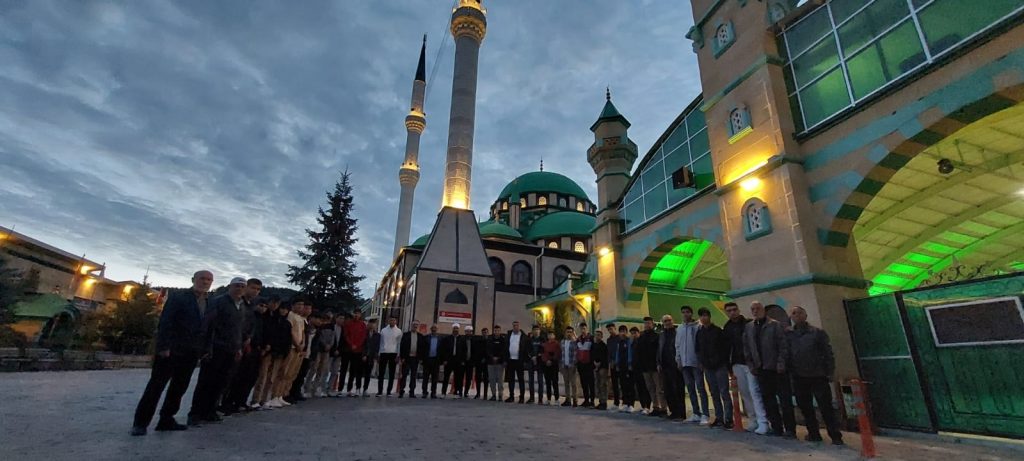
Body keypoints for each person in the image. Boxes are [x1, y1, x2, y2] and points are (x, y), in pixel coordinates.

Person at [131, 270, 212, 435]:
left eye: (209, 280)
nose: (205, 282)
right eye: (202, 278)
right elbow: (166, 322)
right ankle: (140, 423)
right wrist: (163, 347)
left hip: (191, 352)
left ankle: (166, 419)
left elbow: (207, 328)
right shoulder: (178, 297)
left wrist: (204, 349)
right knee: (156, 387)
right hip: (171, 350)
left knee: (179, 387)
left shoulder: (209, 302)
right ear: (193, 279)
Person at [188, 277, 247, 425]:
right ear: (230, 287)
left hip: (231, 349)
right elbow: (208, 324)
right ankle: (195, 413)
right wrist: (206, 347)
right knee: (206, 381)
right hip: (216, 347)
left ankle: (210, 410)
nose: (239, 289)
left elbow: (239, 329)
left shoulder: (241, 305)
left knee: (221, 382)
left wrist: (239, 347)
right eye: (237, 286)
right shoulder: (219, 301)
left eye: (242, 286)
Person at [788, 306, 844, 445]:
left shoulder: (817, 333)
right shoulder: (789, 335)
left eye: (799, 313)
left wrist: (829, 372)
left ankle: (835, 435)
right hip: (799, 376)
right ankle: (813, 433)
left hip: (818, 375)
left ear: (805, 315)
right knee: (805, 407)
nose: (797, 315)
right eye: (794, 313)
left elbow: (828, 353)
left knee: (826, 407)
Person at [744, 301, 796, 437]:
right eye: (753, 309)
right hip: (761, 369)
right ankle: (776, 427)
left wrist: (781, 363)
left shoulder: (775, 325)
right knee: (768, 400)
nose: (755, 311)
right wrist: (751, 365)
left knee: (785, 400)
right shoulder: (749, 327)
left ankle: (790, 429)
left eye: (758, 308)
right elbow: (747, 348)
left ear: (763, 310)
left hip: (777, 369)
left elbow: (783, 346)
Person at [723, 302, 768, 434]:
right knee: (745, 393)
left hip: (750, 363)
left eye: (734, 309)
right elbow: (726, 348)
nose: (732, 312)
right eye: (729, 311)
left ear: (738, 310)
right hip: (736, 363)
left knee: (755, 391)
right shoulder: (727, 327)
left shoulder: (749, 324)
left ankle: (763, 421)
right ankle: (753, 420)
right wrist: (729, 366)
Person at [222, 279, 264, 413]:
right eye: (253, 288)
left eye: (258, 289)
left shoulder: (253, 306)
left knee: (247, 376)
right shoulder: (240, 304)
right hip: (235, 343)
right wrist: (244, 338)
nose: (255, 291)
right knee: (232, 376)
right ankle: (226, 403)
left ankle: (239, 401)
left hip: (251, 344)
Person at [695, 307, 733, 429]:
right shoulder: (700, 333)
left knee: (724, 392)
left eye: (705, 315)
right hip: (708, 367)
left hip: (720, 366)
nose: (703, 318)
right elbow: (698, 349)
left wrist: (722, 362)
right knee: (714, 393)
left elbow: (725, 348)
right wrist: (702, 362)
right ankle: (719, 417)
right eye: (701, 316)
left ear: (709, 317)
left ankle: (729, 419)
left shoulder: (718, 331)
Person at [256, 298, 292, 408]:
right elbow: (269, 334)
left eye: (286, 309)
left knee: (271, 378)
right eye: (282, 308)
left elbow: (288, 339)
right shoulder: (271, 319)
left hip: (280, 353)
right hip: (269, 350)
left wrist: (285, 352)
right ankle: (256, 400)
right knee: (262, 376)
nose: (283, 311)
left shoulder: (287, 323)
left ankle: (265, 400)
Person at [677, 306, 709, 424]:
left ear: (691, 313)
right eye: (683, 312)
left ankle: (705, 414)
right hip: (685, 363)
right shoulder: (679, 328)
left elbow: (701, 345)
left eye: (687, 312)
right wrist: (678, 359)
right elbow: (677, 345)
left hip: (696, 363)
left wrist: (701, 361)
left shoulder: (698, 327)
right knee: (690, 389)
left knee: (701, 388)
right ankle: (696, 413)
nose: (685, 314)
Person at [659, 314, 686, 420]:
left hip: (676, 365)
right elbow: (659, 349)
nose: (667, 322)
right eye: (665, 321)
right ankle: (673, 412)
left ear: (672, 321)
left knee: (678, 390)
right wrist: (658, 363)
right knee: (668, 390)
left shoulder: (678, 332)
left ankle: (681, 413)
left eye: (669, 320)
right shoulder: (662, 335)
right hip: (665, 366)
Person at [637, 317, 664, 417]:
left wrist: (659, 363)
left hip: (655, 367)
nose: (647, 325)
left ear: (652, 324)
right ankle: (655, 407)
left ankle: (663, 408)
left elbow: (659, 351)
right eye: (645, 323)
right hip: (645, 367)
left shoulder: (657, 336)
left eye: (648, 323)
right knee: (650, 388)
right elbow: (639, 352)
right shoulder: (641, 337)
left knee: (659, 388)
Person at [303, 313, 335, 397]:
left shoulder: (332, 327)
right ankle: (307, 388)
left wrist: (330, 345)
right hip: (318, 350)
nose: (326, 322)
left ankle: (315, 388)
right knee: (314, 368)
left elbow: (333, 337)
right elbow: (319, 338)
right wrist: (324, 345)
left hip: (326, 351)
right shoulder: (319, 328)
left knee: (321, 370)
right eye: (324, 320)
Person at [287, 303, 314, 403]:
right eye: (306, 308)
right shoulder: (295, 318)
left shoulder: (306, 321)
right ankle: (289, 393)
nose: (307, 310)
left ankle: (296, 391)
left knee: (301, 373)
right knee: (293, 373)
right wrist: (300, 346)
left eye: (309, 308)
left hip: (305, 349)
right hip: (297, 348)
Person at [343, 310, 368, 396]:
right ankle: (349, 389)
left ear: (360, 315)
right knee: (351, 370)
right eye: (355, 313)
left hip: (359, 350)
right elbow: (346, 335)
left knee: (358, 371)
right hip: (350, 350)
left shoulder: (363, 324)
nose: (356, 315)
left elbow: (363, 337)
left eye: (358, 314)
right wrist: (351, 344)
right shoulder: (349, 324)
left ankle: (358, 388)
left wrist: (357, 345)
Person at [399, 320, 426, 398]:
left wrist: (420, 358)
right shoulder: (406, 335)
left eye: (416, 325)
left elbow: (422, 348)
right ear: (411, 325)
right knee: (404, 375)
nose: (415, 326)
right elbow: (402, 346)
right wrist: (402, 357)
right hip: (407, 358)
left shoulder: (420, 336)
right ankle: (401, 391)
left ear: (418, 326)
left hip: (415, 359)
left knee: (413, 376)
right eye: (414, 324)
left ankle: (412, 392)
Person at [504, 320, 530, 403]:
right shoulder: (509, 335)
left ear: (519, 326)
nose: (515, 327)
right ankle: (511, 396)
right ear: (512, 326)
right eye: (514, 325)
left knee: (521, 379)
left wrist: (525, 360)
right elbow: (505, 347)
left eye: (517, 325)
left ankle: (521, 397)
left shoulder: (523, 336)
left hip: (520, 361)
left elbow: (526, 349)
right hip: (510, 360)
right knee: (511, 379)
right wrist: (505, 359)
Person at [378, 317, 402, 397]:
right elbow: (381, 342)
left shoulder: (399, 331)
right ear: (388, 321)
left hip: (393, 353)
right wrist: (379, 353)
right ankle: (380, 391)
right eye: (391, 320)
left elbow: (399, 344)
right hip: (384, 352)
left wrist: (398, 355)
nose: (392, 321)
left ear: (396, 321)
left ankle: (389, 391)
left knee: (392, 373)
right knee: (381, 373)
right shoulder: (383, 330)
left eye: (394, 320)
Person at [441, 323, 467, 398]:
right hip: (449, 361)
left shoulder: (462, 339)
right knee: (446, 377)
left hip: (458, 361)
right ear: (452, 329)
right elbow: (444, 350)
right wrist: (444, 360)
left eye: (457, 328)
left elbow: (464, 351)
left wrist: (463, 361)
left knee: (458, 378)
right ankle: (443, 392)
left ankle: (456, 393)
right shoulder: (447, 339)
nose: (456, 330)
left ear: (459, 329)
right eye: (454, 328)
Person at [615, 325, 636, 413]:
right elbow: (617, 353)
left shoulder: (629, 341)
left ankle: (631, 404)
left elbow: (630, 353)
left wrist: (630, 363)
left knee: (630, 386)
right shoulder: (619, 342)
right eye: (621, 331)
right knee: (623, 385)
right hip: (621, 366)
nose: (622, 333)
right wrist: (617, 364)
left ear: (626, 332)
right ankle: (625, 403)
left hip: (628, 366)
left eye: (624, 331)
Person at [629, 327, 651, 413]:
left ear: (638, 333)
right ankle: (643, 405)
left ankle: (647, 406)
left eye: (635, 333)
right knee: (639, 388)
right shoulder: (633, 343)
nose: (633, 335)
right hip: (635, 368)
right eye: (632, 333)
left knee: (645, 387)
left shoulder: (642, 341)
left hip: (643, 368)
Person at [575, 322, 595, 408]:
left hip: (589, 364)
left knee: (591, 383)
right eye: (581, 329)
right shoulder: (578, 339)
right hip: (581, 365)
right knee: (584, 383)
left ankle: (592, 401)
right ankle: (586, 400)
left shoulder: (591, 338)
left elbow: (594, 351)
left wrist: (593, 362)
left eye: (584, 328)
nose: (583, 330)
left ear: (587, 329)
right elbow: (577, 351)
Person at [485, 325, 506, 401]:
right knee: (492, 379)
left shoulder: (503, 339)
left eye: (498, 331)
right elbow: (487, 350)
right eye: (495, 331)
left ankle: (500, 395)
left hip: (500, 363)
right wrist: (492, 357)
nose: (496, 332)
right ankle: (493, 394)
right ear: (494, 331)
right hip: (491, 362)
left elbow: (504, 350)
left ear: (500, 331)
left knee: (500, 380)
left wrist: (498, 357)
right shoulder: (490, 339)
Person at [465, 326, 487, 399]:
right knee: (477, 378)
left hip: (486, 362)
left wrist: (485, 358)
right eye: (483, 332)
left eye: (486, 332)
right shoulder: (478, 341)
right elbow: (477, 351)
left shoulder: (489, 341)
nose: (484, 334)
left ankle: (485, 395)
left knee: (486, 379)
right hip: (478, 362)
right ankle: (477, 393)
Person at [361, 318, 381, 396]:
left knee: (368, 374)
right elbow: (362, 344)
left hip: (371, 357)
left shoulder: (377, 335)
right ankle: (357, 388)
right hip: (363, 356)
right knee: (359, 373)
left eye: (374, 324)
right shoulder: (364, 333)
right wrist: (363, 354)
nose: (372, 325)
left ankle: (365, 389)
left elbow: (377, 347)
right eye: (371, 323)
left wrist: (376, 356)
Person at [560, 326, 578, 407]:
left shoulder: (574, 342)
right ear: (565, 333)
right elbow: (561, 353)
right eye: (567, 332)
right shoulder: (562, 342)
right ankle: (568, 400)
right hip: (565, 365)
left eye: (570, 332)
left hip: (572, 365)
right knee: (566, 383)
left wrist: (574, 364)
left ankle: (575, 400)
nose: (569, 333)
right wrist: (561, 365)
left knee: (573, 384)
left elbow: (575, 354)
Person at [422, 324, 442, 398]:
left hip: (436, 361)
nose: (434, 329)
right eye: (433, 328)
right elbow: (423, 349)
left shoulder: (440, 339)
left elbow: (442, 350)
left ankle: (433, 392)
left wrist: (441, 361)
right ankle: (424, 392)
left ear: (437, 329)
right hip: (427, 360)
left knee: (435, 378)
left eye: (435, 328)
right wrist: (422, 359)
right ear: (431, 329)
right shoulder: (426, 338)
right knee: (425, 377)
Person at [541, 331, 560, 406]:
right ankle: (548, 399)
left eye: (552, 334)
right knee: (547, 382)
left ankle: (557, 399)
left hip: (554, 365)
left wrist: (551, 361)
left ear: (554, 336)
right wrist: (546, 361)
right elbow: (543, 354)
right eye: (549, 334)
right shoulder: (544, 344)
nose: (550, 336)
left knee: (555, 382)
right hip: (546, 365)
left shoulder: (557, 344)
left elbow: (557, 353)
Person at [527, 325, 545, 404]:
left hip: (540, 362)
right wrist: (532, 357)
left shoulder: (543, 339)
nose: (536, 331)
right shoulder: (529, 340)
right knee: (531, 380)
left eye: (537, 329)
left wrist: (537, 357)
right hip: (531, 361)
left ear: (539, 331)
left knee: (540, 380)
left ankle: (540, 399)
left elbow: (543, 350)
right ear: (532, 331)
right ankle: (531, 398)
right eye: (534, 330)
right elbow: (527, 350)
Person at [605, 323, 621, 409]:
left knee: (623, 383)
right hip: (612, 364)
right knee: (614, 384)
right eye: (609, 330)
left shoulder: (620, 338)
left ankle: (626, 403)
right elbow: (608, 353)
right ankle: (616, 402)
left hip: (620, 364)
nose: (610, 331)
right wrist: (610, 363)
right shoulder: (609, 340)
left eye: (611, 329)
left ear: (615, 328)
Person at [592, 329, 609, 410]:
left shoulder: (604, 346)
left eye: (599, 335)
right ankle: (600, 401)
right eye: (596, 335)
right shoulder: (594, 345)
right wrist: (594, 363)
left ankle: (604, 402)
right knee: (598, 384)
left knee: (603, 385)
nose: (597, 336)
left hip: (603, 367)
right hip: (595, 367)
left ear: (601, 336)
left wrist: (599, 364)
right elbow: (592, 355)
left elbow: (605, 357)